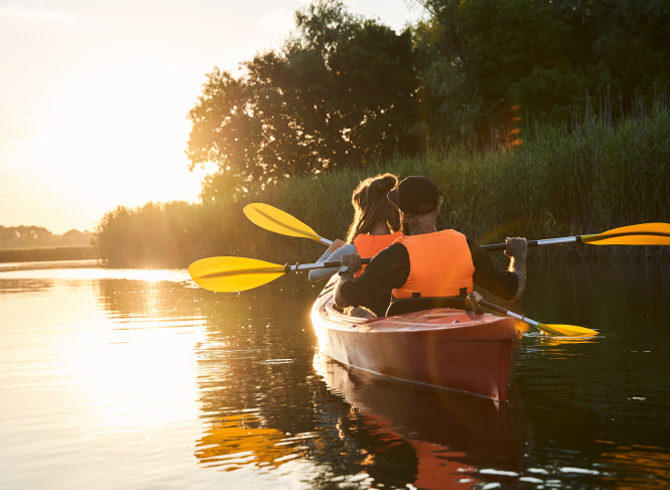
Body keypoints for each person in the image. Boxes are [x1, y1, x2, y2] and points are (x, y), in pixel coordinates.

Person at [334, 176, 527, 316]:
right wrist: (518, 256)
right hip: (459, 327)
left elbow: (342, 300)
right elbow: (514, 292)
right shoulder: (466, 247)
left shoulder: (397, 254)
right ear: (436, 209)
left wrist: (346, 270)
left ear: (403, 215)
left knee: (356, 312)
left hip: (411, 338)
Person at [309, 173, 403, 315]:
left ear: (363, 211)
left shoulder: (350, 250)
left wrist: (331, 250)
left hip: (368, 314)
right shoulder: (407, 241)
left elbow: (313, 275)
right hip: (400, 311)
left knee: (354, 310)